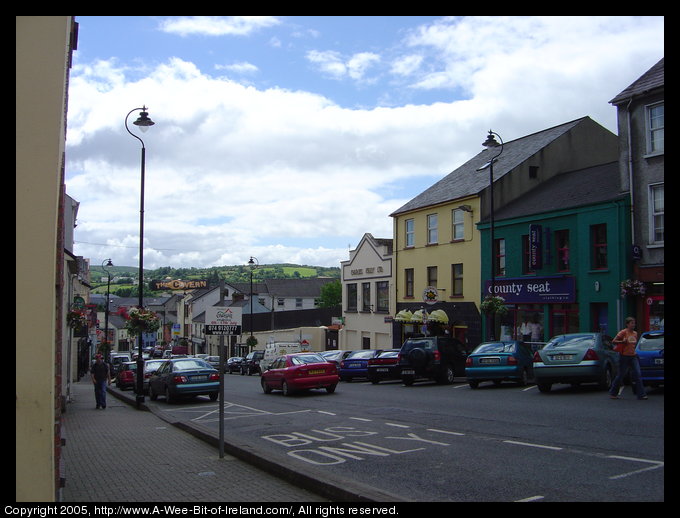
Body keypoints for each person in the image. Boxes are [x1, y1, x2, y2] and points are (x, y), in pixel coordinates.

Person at [609, 317, 647, 400]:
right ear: (627, 324)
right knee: (620, 375)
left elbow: (633, 345)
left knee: (638, 374)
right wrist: (622, 341)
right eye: (632, 323)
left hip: (633, 356)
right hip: (624, 356)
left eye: (634, 323)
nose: (633, 325)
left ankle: (641, 394)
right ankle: (613, 393)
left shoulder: (635, 333)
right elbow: (614, 341)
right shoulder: (623, 332)